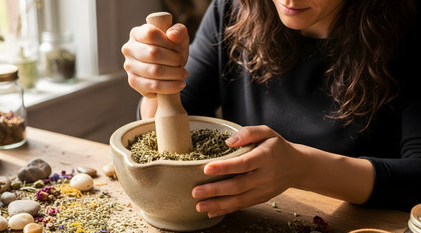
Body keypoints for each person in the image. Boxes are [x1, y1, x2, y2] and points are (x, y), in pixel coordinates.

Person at [121, 0, 421, 218]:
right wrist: (155, 88)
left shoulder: (408, 31)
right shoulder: (233, 11)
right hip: (250, 220)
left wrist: (304, 168)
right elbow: (173, 125)